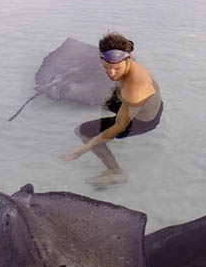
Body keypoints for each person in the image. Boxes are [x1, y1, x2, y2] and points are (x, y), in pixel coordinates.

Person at [59, 32, 163, 186]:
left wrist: (83, 149)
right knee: (107, 103)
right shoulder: (125, 61)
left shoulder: (135, 89)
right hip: (144, 105)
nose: (111, 73)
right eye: (106, 67)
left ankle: (116, 173)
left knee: (83, 131)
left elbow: (118, 126)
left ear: (128, 58)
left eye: (116, 69)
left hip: (143, 120)